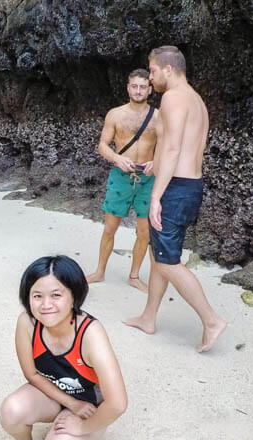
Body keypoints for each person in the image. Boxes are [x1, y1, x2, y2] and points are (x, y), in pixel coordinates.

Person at [123, 46, 227, 353]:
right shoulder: (196, 100)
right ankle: (149, 316)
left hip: (175, 187)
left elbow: (171, 148)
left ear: (168, 70)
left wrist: (156, 195)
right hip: (190, 183)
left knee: (168, 260)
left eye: (152, 71)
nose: (150, 78)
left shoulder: (173, 97)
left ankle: (211, 320)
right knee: (160, 254)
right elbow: (189, 146)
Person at [0, 255, 127, 440]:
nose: (46, 305)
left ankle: (90, 438)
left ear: (74, 295)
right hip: (55, 394)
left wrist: (83, 426)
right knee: (11, 410)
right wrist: (70, 403)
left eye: (56, 295)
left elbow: (117, 404)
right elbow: (32, 374)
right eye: (37, 296)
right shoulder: (27, 322)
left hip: (89, 404)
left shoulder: (90, 333)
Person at [86, 69, 160, 293]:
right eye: (134, 86)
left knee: (145, 232)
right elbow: (102, 145)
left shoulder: (159, 116)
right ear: (128, 88)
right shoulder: (115, 114)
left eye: (143, 87)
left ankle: (134, 275)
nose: (138, 91)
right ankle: (100, 271)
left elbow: (168, 147)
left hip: (147, 178)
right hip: (121, 177)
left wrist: (156, 161)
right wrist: (117, 158)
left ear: (150, 89)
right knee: (110, 228)